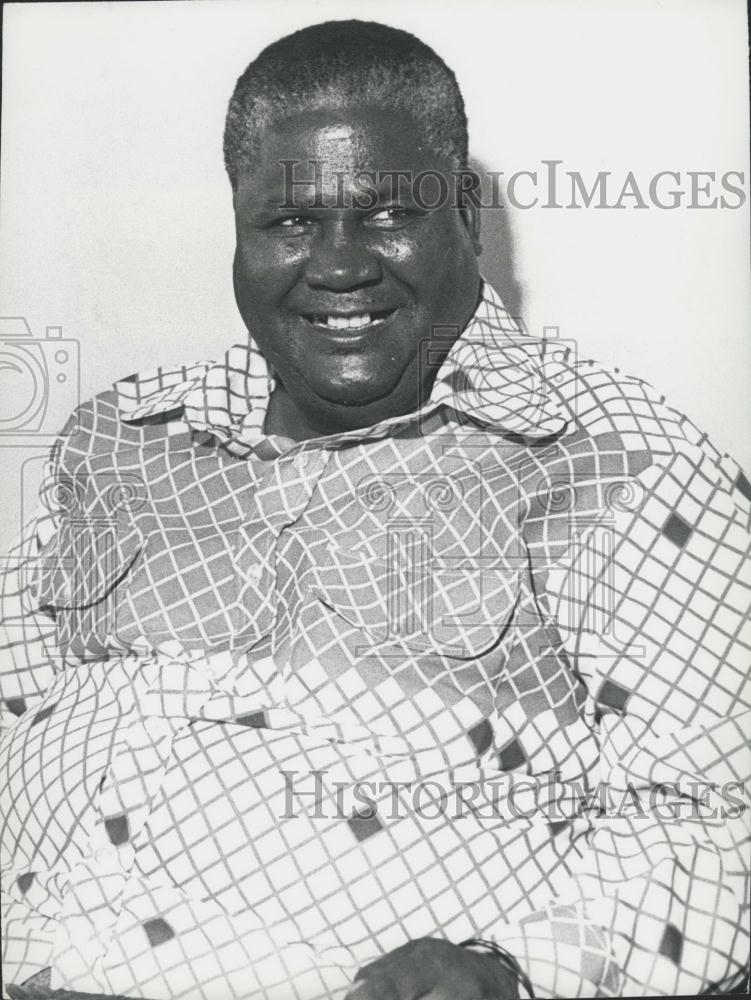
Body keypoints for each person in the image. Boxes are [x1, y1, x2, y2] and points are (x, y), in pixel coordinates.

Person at [1, 19, 749, 1000]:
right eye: (290, 222)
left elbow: (724, 821)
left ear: (465, 217)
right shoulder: (127, 434)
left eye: (387, 213)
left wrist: (507, 969)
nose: (341, 265)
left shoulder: (616, 462)